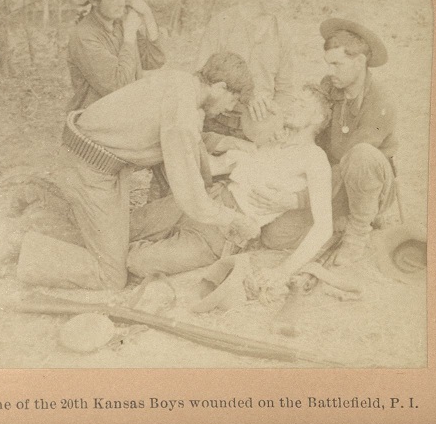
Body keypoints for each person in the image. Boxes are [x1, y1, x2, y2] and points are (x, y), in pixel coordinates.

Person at [18, 52, 259, 291]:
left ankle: (43, 204)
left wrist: (227, 143)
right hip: (89, 168)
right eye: (232, 101)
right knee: (111, 276)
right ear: (220, 87)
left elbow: (182, 137)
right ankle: (26, 249)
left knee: (111, 239)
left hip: (100, 161)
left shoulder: (182, 83)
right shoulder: (182, 113)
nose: (229, 109)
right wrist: (233, 219)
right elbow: (190, 196)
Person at [128, 87, 334, 288]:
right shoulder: (271, 140)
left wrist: (283, 270)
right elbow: (214, 166)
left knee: (137, 261)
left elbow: (324, 227)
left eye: (302, 104)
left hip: (223, 231)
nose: (292, 106)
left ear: (318, 118)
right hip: (204, 200)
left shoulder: (314, 158)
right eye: (294, 100)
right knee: (127, 226)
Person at [259, 19, 398, 267]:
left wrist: (300, 199)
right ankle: (337, 223)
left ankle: (358, 231)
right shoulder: (330, 87)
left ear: (360, 61)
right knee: (275, 235)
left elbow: (350, 163)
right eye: (328, 64)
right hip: (329, 183)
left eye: (337, 64)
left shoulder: (381, 102)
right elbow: (310, 123)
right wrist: (287, 132)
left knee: (361, 155)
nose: (331, 71)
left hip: (366, 186)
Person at [196, 0, 311, 139]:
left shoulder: (283, 34)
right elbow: (200, 76)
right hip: (214, 121)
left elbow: (285, 90)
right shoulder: (224, 22)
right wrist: (248, 95)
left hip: (258, 127)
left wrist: (275, 116)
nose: (285, 5)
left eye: (289, 1)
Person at [67, 0, 163, 112]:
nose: (120, 3)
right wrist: (130, 35)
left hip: (128, 111)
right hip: (96, 117)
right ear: (94, 1)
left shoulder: (119, 23)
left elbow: (154, 61)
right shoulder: (84, 36)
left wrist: (147, 14)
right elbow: (118, 87)